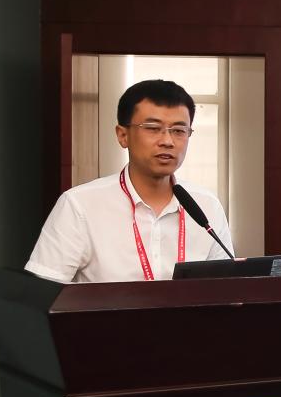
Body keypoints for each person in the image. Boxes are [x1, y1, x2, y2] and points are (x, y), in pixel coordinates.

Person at [26, 78, 233, 283]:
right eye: (152, 128)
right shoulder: (80, 205)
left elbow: (227, 290)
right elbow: (44, 293)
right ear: (122, 135)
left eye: (179, 131)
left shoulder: (207, 206)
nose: (167, 141)